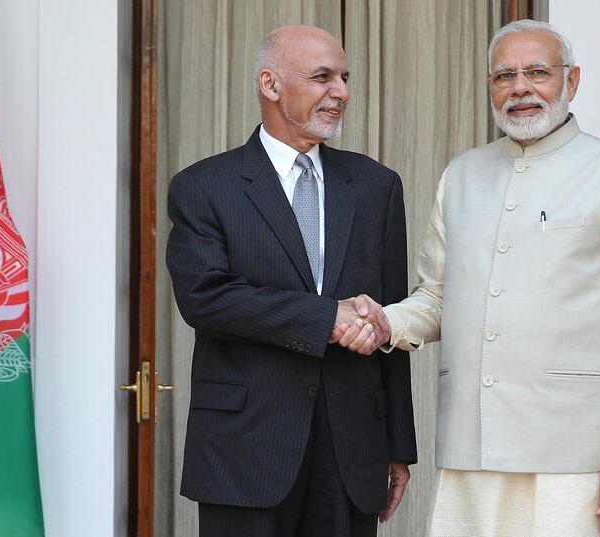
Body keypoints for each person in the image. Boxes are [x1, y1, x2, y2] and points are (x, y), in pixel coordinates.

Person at [332, 19, 600, 537]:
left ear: (573, 81)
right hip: (472, 452)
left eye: (538, 72)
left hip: (576, 458)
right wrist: (384, 321)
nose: (520, 88)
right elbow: (436, 298)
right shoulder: (463, 175)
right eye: (504, 76)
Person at [166, 25, 417, 537]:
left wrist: (397, 445)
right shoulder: (203, 186)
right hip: (245, 452)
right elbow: (206, 298)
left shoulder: (376, 186)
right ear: (271, 84)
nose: (341, 92)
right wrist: (328, 318)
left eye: (344, 78)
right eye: (322, 77)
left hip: (351, 451)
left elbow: (389, 317)